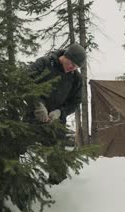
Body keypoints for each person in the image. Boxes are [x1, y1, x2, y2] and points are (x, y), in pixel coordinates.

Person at [27, 43, 86, 184]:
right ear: (65, 56)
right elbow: (24, 80)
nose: (72, 68)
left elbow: (76, 102)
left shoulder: (76, 79)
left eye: (76, 67)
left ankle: (58, 188)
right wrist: (37, 104)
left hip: (56, 123)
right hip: (32, 118)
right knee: (17, 148)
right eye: (71, 63)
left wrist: (60, 112)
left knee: (57, 159)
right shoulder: (44, 64)